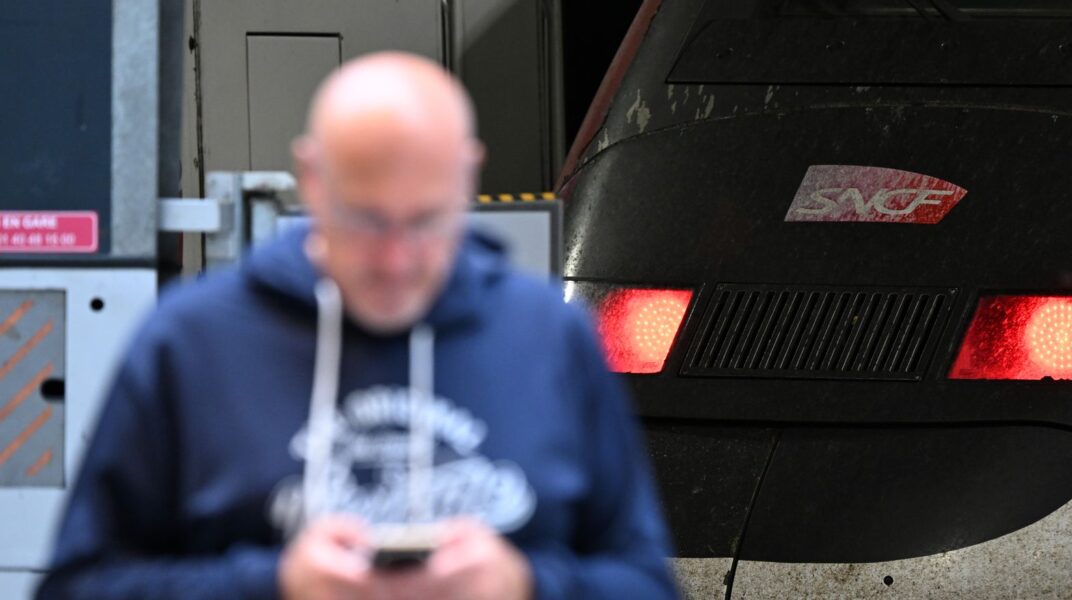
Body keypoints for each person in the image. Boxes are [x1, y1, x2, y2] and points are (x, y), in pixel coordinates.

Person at [38, 52, 677, 600]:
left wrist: (524, 583)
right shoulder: (191, 342)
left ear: (467, 175)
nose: (397, 259)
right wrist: (273, 584)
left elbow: (648, 582)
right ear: (312, 179)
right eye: (367, 220)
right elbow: (78, 585)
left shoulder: (546, 336)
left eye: (426, 220)